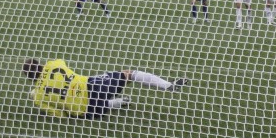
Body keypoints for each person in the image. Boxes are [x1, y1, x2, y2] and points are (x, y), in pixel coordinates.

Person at [22, 58, 189, 119]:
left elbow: (60, 115)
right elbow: (61, 64)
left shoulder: (38, 98)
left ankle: (116, 103)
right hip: (93, 87)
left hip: (87, 112)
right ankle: (169, 86)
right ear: (40, 64)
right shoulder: (54, 64)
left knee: (83, 105)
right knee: (128, 74)